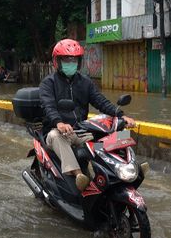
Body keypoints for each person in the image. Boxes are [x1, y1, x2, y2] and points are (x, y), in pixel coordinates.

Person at [39, 39, 136, 192]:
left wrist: (122, 116)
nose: (70, 62)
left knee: (111, 137)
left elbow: (101, 102)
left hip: (81, 132)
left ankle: (125, 168)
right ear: (57, 61)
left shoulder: (85, 82)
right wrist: (58, 122)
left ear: (79, 62)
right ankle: (79, 176)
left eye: (74, 59)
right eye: (66, 59)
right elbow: (48, 106)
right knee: (55, 135)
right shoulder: (48, 83)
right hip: (58, 133)